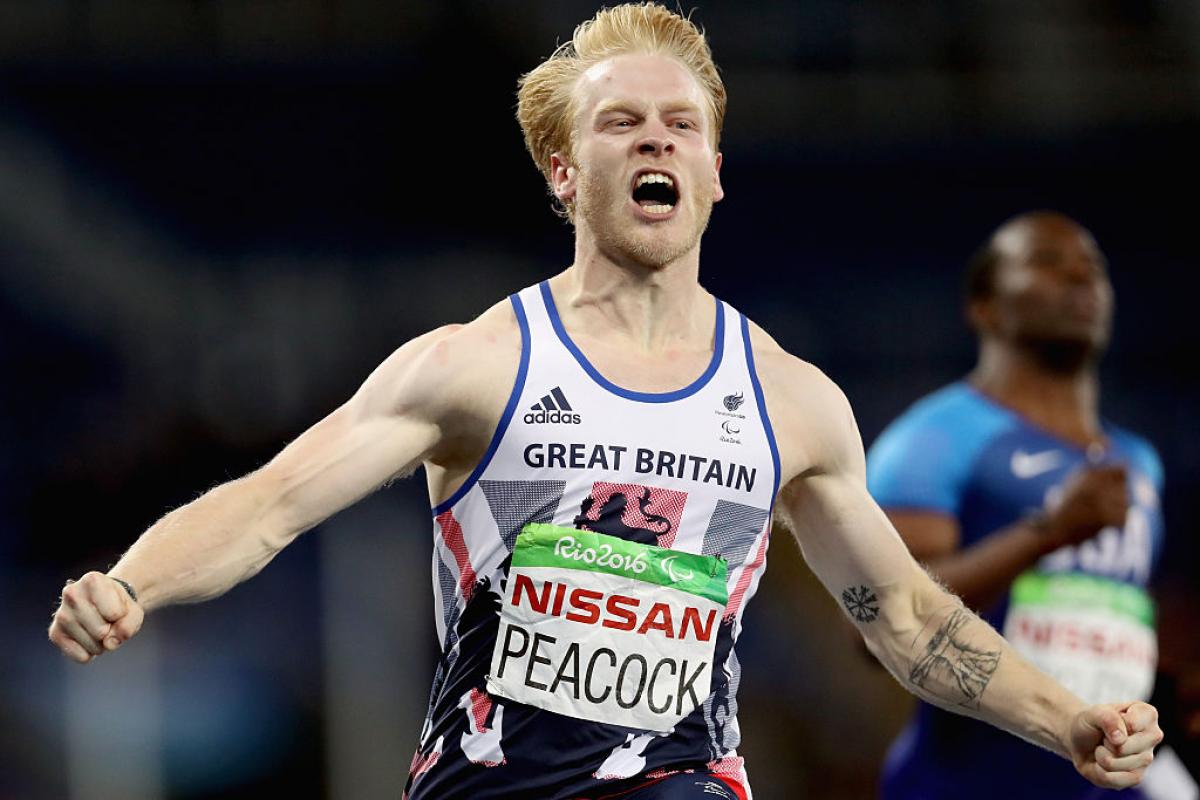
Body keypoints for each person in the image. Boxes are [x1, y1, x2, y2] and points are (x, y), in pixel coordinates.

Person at [48, 7, 1162, 799]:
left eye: (680, 124)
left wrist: (1070, 717)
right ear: (564, 170)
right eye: (622, 123)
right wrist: (132, 579)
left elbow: (912, 622)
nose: (656, 140)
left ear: (717, 170)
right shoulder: (472, 366)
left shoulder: (791, 401)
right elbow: (269, 503)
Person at [867, 211, 1171, 799]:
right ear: (986, 305)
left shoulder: (1139, 460)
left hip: (1109, 778)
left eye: (1092, 268)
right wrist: (1047, 534)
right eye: (1048, 263)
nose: (1080, 278)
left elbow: (1111, 620)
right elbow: (879, 623)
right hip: (967, 781)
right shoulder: (934, 438)